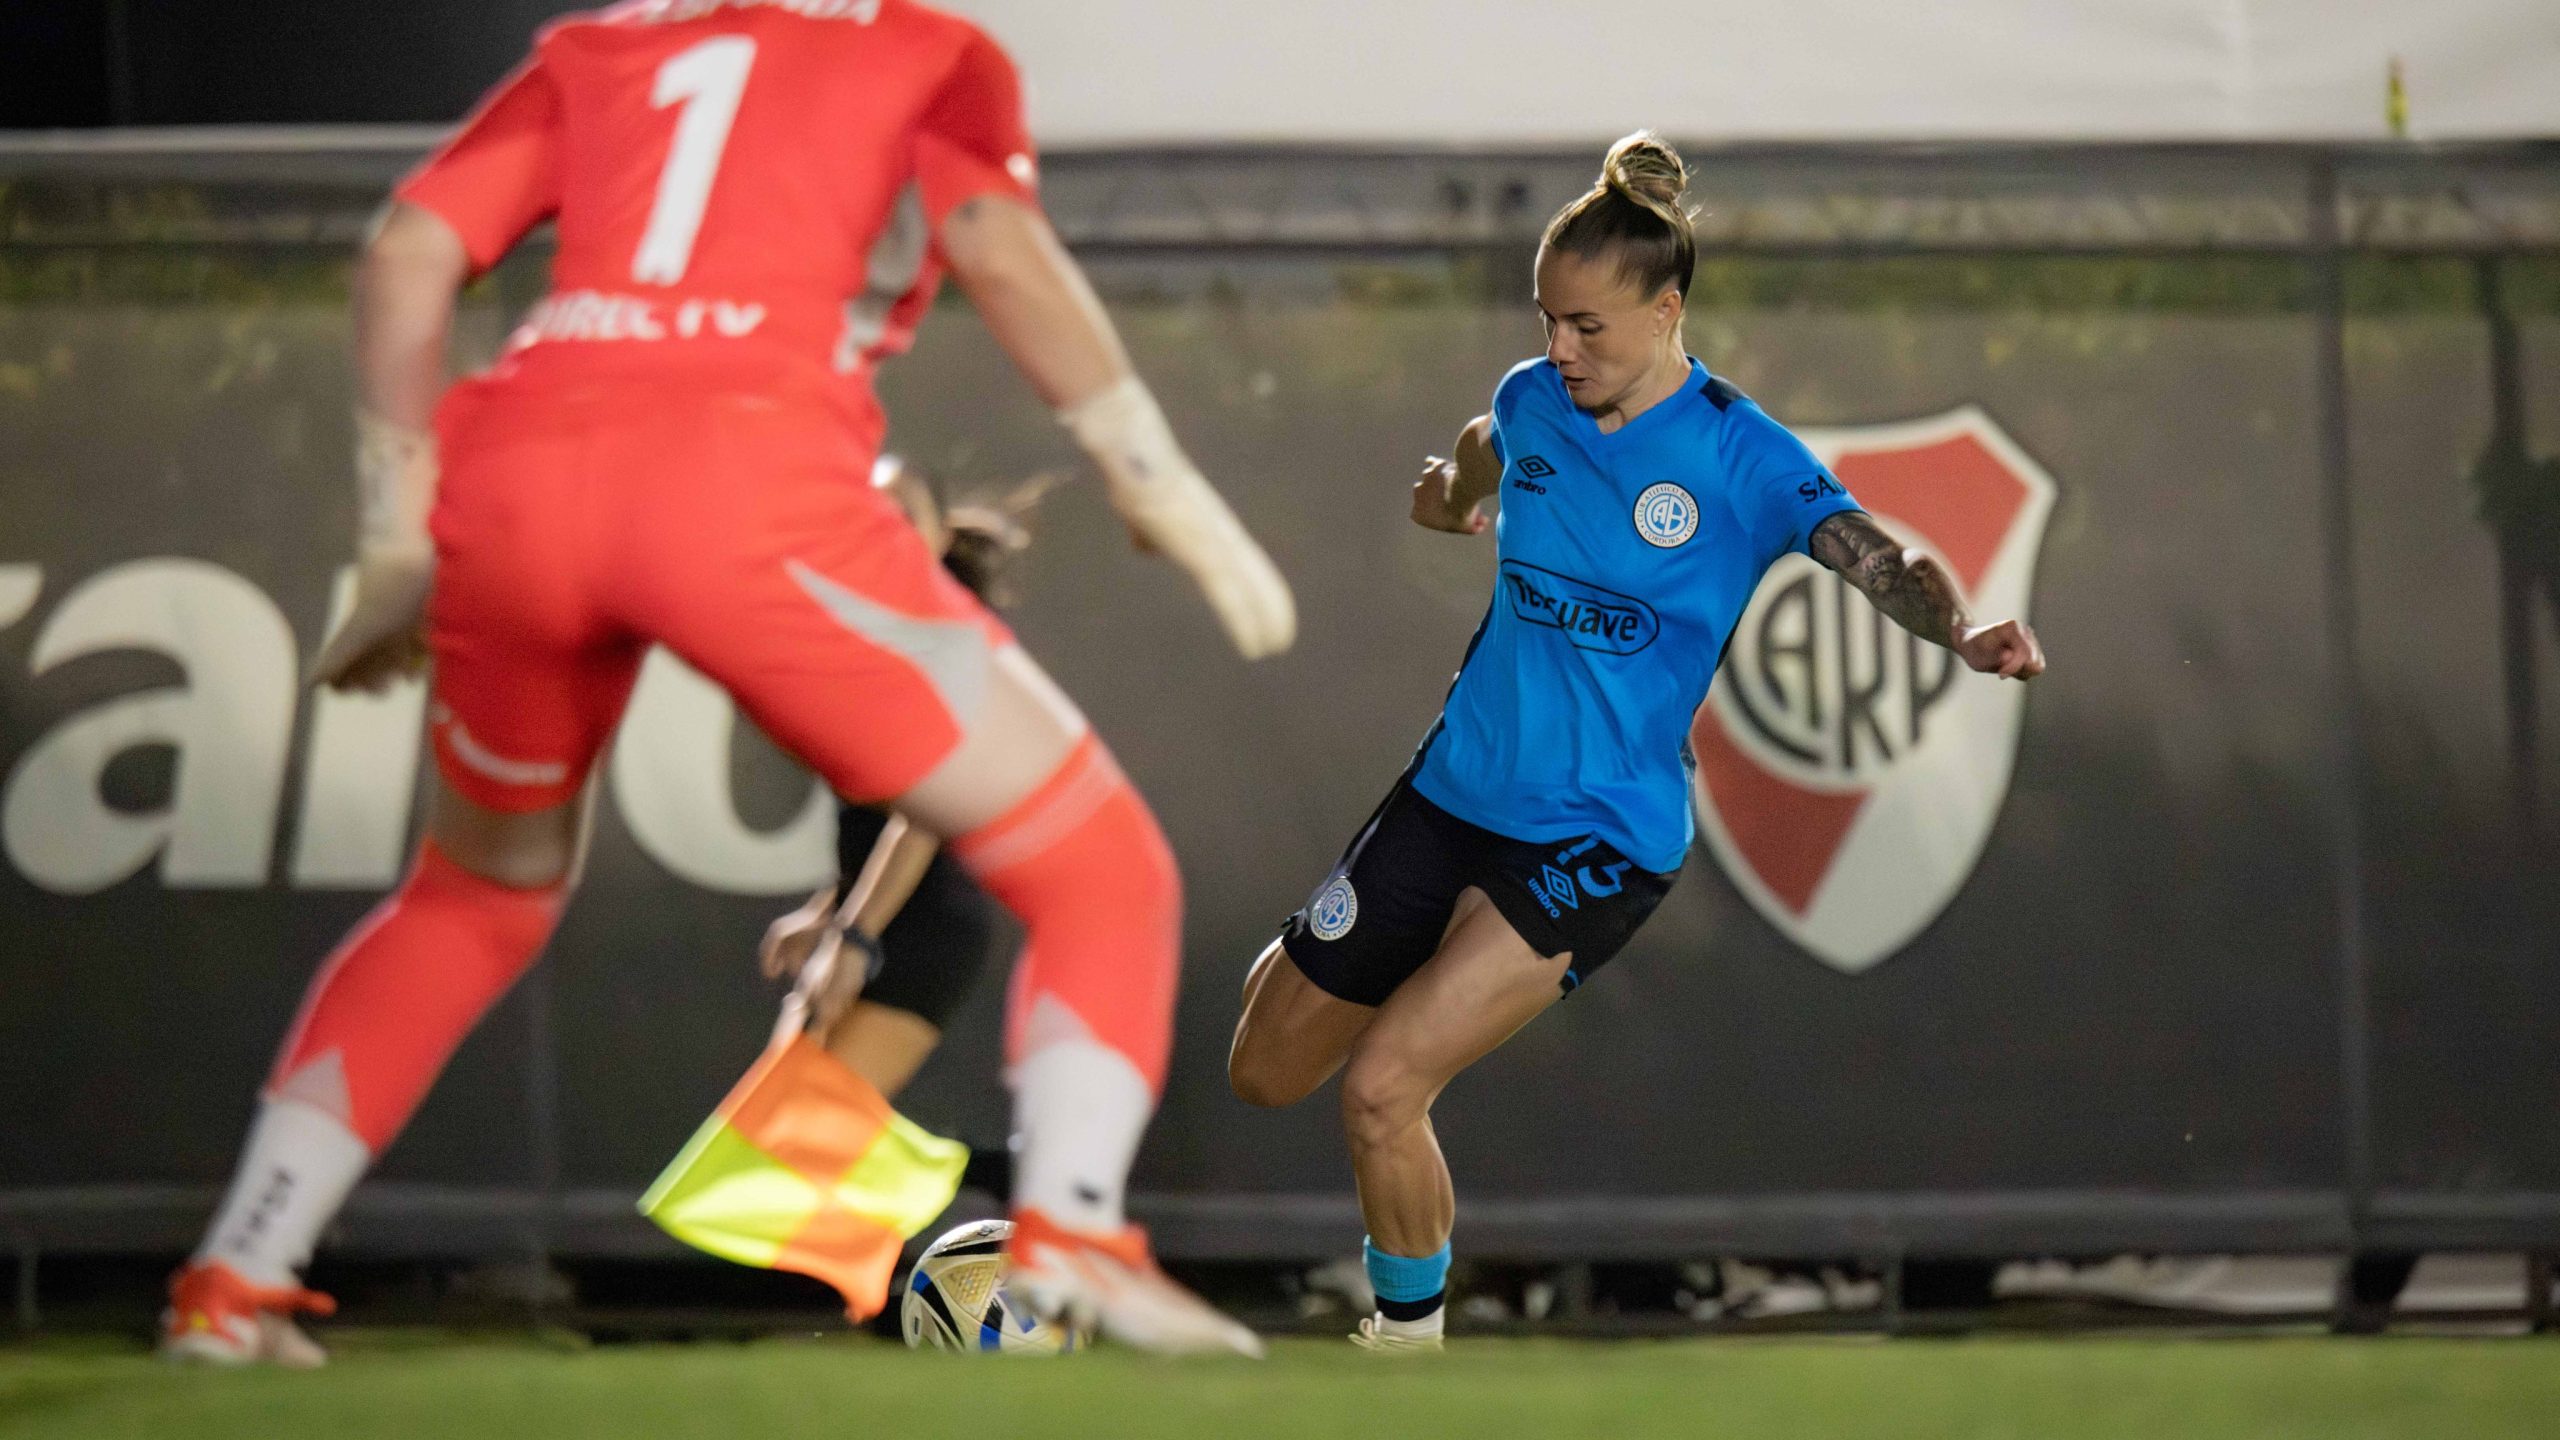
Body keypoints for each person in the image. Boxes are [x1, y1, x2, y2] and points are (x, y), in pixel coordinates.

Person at [164, 0, 1291, 1364]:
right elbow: (994, 239)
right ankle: (1073, 1238)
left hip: (516, 482)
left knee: (470, 901)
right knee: (1100, 868)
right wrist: (1148, 471)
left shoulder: (606, 44)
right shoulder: (925, 50)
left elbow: (409, 249)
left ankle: (234, 1277)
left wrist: (398, 539)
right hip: (744, 477)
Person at [1224, 132, 2045, 1353]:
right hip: (1449, 796)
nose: (1561, 348)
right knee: (1262, 1070)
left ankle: (1405, 1354)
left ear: (1666, 312)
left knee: (1384, 1088)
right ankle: (1361, 958)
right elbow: (1485, 445)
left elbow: (1879, 559)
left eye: (1587, 326)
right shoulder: (1532, 399)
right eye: (1547, 321)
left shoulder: (1741, 455)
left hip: (1594, 840)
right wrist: (1452, 496)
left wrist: (1962, 630)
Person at [758, 461, 1045, 1159]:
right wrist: (830, 910)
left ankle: (1015, 1189)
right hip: (875, 916)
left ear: (938, 535)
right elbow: (876, 819)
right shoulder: (862, 643)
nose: (881, 534)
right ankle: (1000, 1183)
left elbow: (924, 818)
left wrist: (852, 939)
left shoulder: (949, 642)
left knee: (797, 1153)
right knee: (777, 1142)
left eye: (901, 517)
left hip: (926, 927)